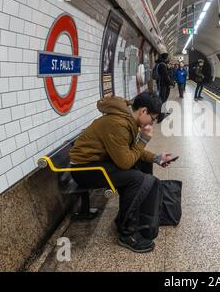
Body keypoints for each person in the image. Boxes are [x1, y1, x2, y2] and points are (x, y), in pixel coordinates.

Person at [69, 92, 175, 253]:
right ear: (143, 111)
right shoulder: (117, 123)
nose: (152, 123)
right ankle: (126, 233)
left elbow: (130, 151)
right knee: (136, 178)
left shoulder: (127, 120)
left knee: (142, 167)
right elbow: (125, 162)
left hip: (99, 163)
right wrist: (144, 140)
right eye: (152, 118)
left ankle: (139, 217)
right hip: (85, 170)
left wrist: (156, 158)